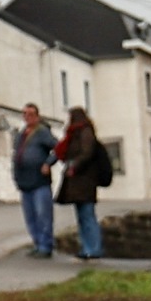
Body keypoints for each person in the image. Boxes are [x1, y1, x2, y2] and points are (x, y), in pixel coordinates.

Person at [55, 107, 114, 261]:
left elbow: (86, 153)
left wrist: (74, 165)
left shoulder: (85, 132)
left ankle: (94, 248)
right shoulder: (75, 133)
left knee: (87, 215)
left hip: (85, 180)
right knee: (82, 216)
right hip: (78, 182)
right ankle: (87, 247)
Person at [11, 104, 55, 259]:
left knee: (43, 214)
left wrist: (48, 163)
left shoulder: (42, 132)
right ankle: (37, 243)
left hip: (39, 182)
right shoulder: (21, 134)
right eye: (25, 114)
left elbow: (58, 148)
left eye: (30, 114)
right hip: (24, 181)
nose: (27, 117)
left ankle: (45, 245)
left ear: (37, 116)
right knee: (30, 216)